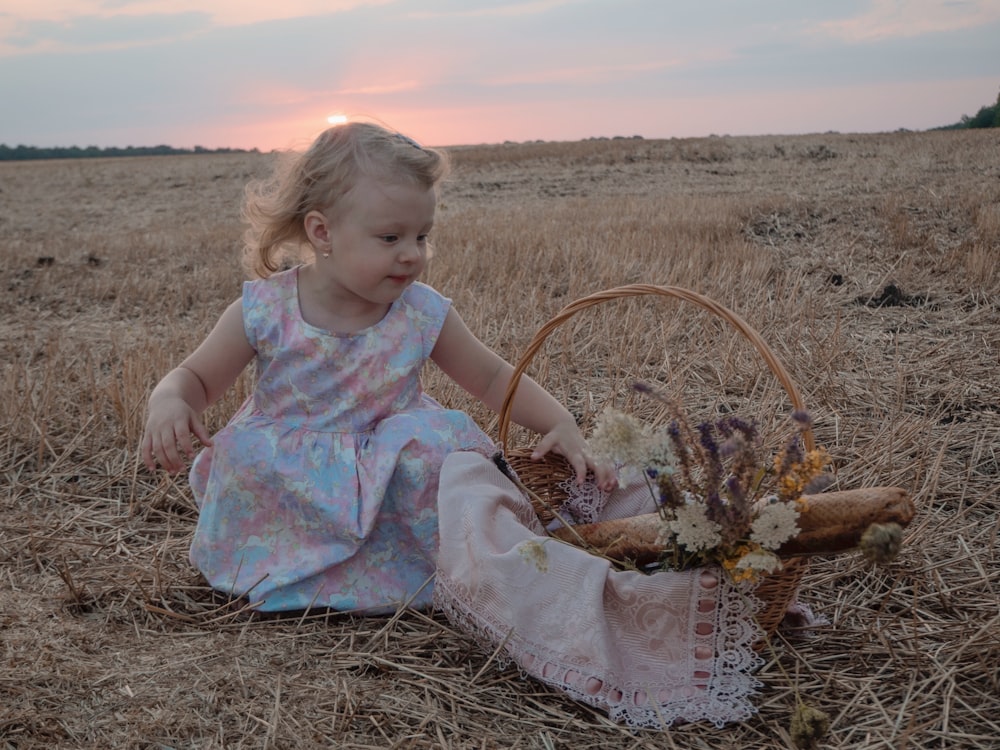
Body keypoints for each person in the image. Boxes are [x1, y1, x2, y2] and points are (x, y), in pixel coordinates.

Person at [140, 121, 615, 614]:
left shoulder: (421, 311)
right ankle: (287, 567)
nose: (412, 255)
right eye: (390, 237)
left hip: (390, 474)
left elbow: (493, 378)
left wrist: (560, 421)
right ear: (322, 232)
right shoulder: (265, 309)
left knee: (439, 459)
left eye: (422, 236)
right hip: (293, 479)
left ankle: (409, 568)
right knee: (241, 454)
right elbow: (196, 377)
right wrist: (170, 398)